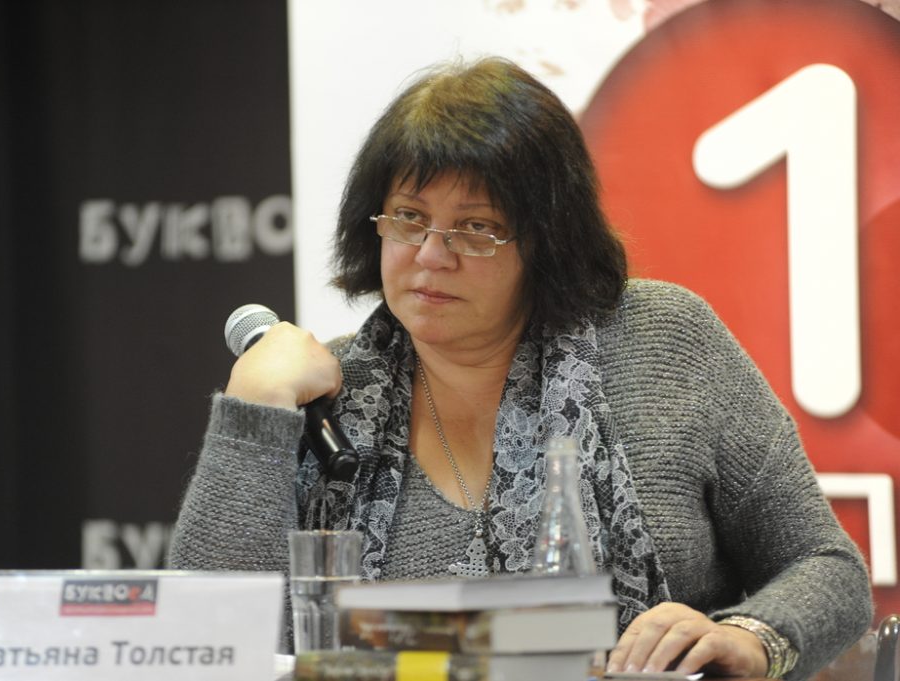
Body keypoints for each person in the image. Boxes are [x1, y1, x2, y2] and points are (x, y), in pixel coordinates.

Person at [168, 57, 871, 678]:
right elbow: (208, 641)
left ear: (547, 242)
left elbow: (827, 569)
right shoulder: (326, 392)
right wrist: (253, 408)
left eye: (476, 228)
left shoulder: (665, 341)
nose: (431, 254)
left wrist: (747, 637)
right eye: (408, 217)